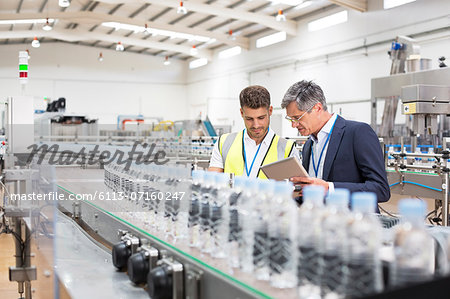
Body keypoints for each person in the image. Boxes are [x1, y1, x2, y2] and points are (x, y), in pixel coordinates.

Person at [281, 80, 390, 203]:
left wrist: (329, 188)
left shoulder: (357, 133)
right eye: (291, 119)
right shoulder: (308, 145)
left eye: (297, 118)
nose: (294, 125)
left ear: (317, 108)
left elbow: (381, 189)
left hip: (353, 219)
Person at [209, 85, 300, 179]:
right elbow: (212, 184)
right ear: (241, 113)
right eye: (249, 119)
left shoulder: (288, 149)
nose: (256, 125)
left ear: (270, 111)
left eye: (261, 118)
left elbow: (293, 190)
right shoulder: (224, 143)